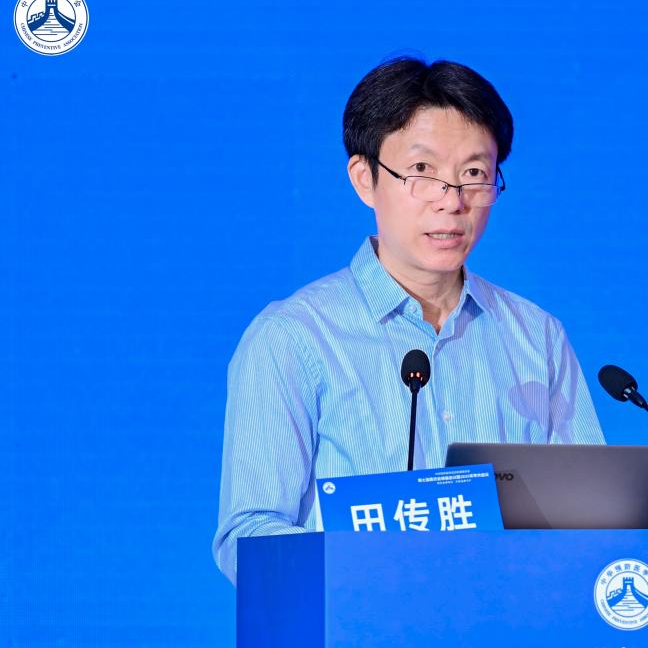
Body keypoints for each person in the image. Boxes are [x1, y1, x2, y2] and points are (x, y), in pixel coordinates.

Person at [212, 57, 605, 584]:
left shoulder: (537, 337)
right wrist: (374, 572)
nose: (452, 201)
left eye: (474, 174)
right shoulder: (294, 337)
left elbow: (593, 517)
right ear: (365, 179)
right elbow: (248, 538)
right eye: (422, 172)